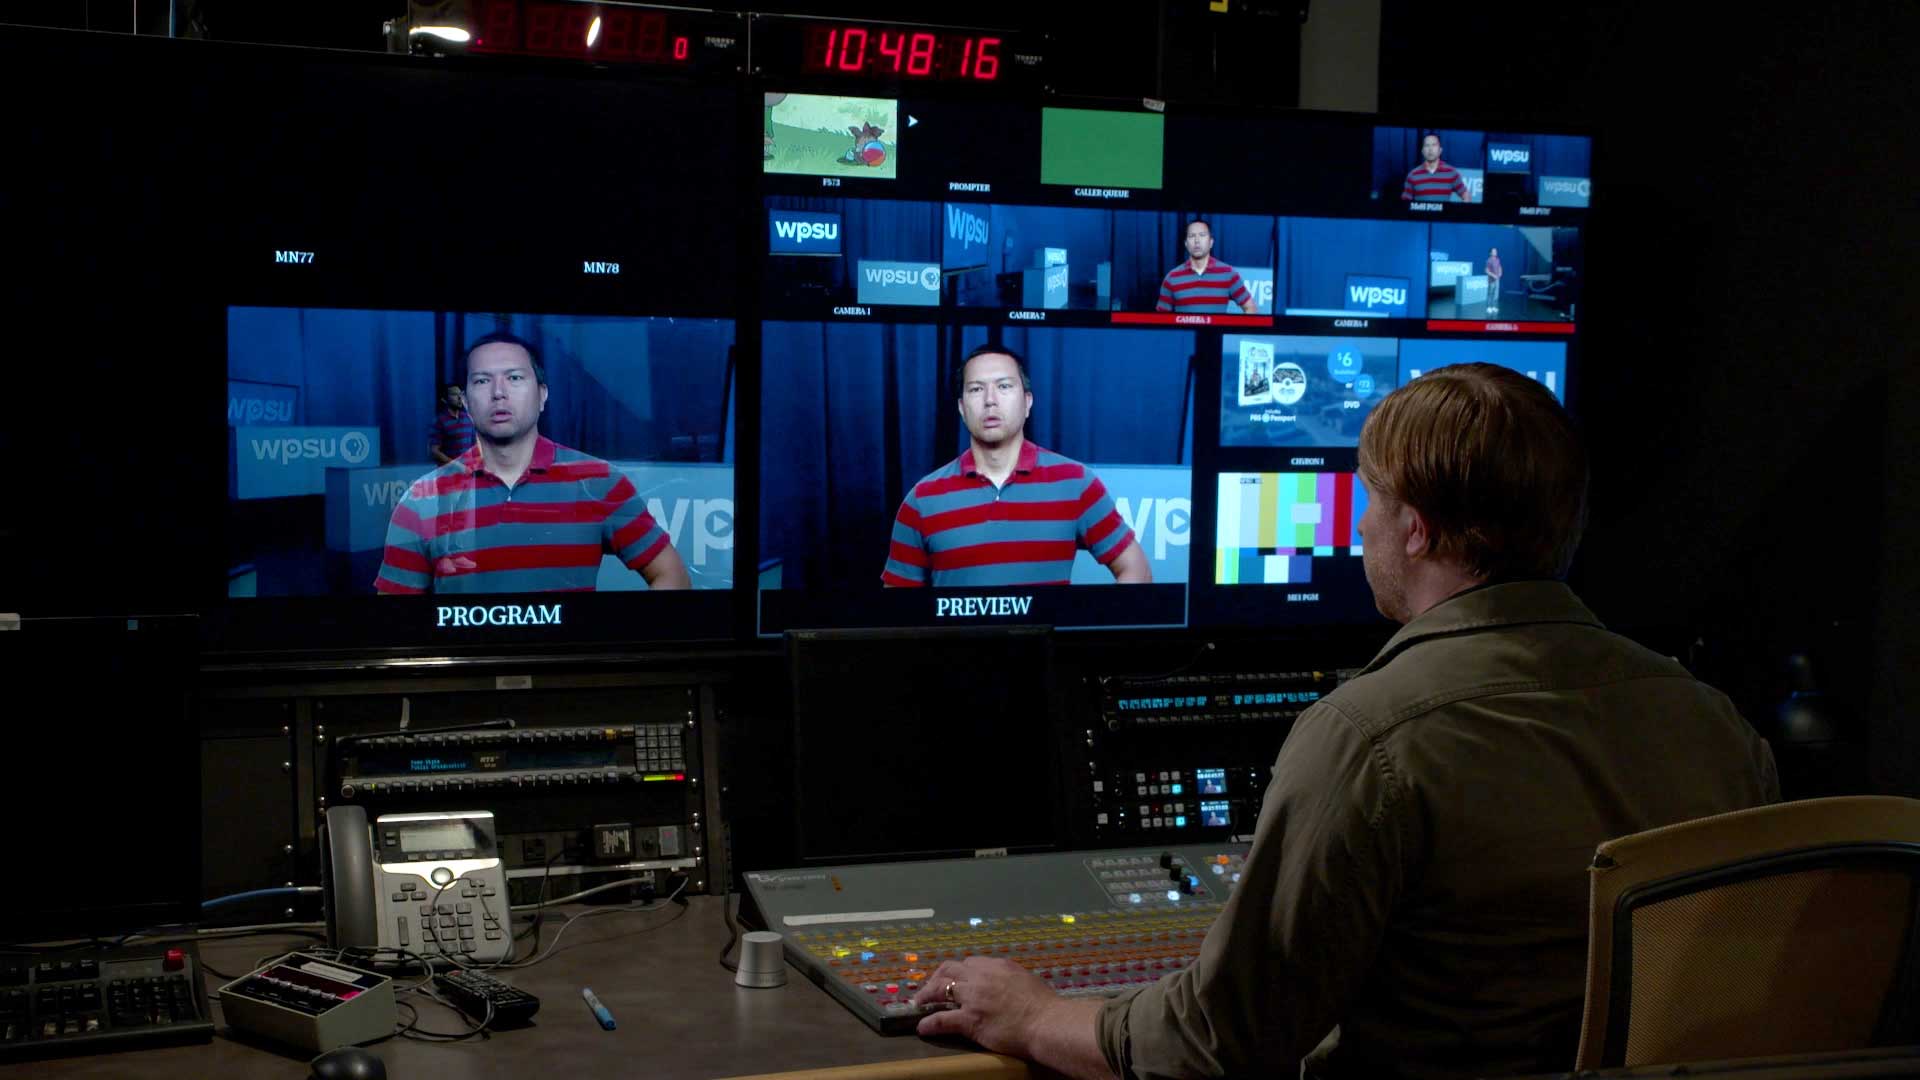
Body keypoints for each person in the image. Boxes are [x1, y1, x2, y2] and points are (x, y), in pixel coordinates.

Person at [910, 363, 1779, 1079]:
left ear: (1416, 531)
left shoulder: (1372, 736)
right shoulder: (1717, 727)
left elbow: (1219, 1040)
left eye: (1369, 503)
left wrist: (1035, 1015)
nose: (1358, 527)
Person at [375, 331, 691, 593]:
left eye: (514, 377)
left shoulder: (600, 480)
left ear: (542, 395)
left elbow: (672, 576)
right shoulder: (422, 498)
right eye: (483, 381)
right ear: (467, 403)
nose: (499, 393)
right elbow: (393, 623)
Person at [882, 344, 1152, 587]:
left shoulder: (1076, 482)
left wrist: (1085, 636)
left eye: (1004, 386)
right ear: (962, 409)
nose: (990, 400)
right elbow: (897, 608)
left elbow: (1136, 569)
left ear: (1028, 402)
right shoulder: (923, 498)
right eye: (976, 389)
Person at [1154, 220, 1252, 314]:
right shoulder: (1172, 277)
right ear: (1186, 244)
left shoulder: (1228, 273)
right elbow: (1161, 317)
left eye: (1202, 235)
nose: (1197, 240)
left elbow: (1250, 307)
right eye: (1192, 236)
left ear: (1211, 242)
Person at [1401, 133, 1471, 202]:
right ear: (1422, 151)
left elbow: (1466, 195)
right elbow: (1405, 201)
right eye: (1427, 145)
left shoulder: (1451, 172)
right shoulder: (1413, 175)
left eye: (1434, 145)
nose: (1430, 149)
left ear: (1440, 150)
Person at [429, 382, 473, 466]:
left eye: (460, 394)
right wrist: (456, 465)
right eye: (454, 394)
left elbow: (474, 446)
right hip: (448, 475)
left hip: (468, 474)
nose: (459, 398)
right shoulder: (440, 421)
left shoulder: (468, 418)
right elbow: (434, 451)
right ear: (444, 399)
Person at [1485, 247, 1504, 312]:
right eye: (1493, 251)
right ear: (1490, 253)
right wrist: (1493, 276)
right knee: (1490, 293)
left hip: (1497, 280)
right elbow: (1486, 271)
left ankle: (1493, 307)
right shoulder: (1489, 260)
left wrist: (1501, 272)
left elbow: (1500, 267)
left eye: (1496, 251)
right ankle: (1488, 307)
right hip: (1491, 280)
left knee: (1495, 294)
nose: (1495, 252)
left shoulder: (1498, 259)